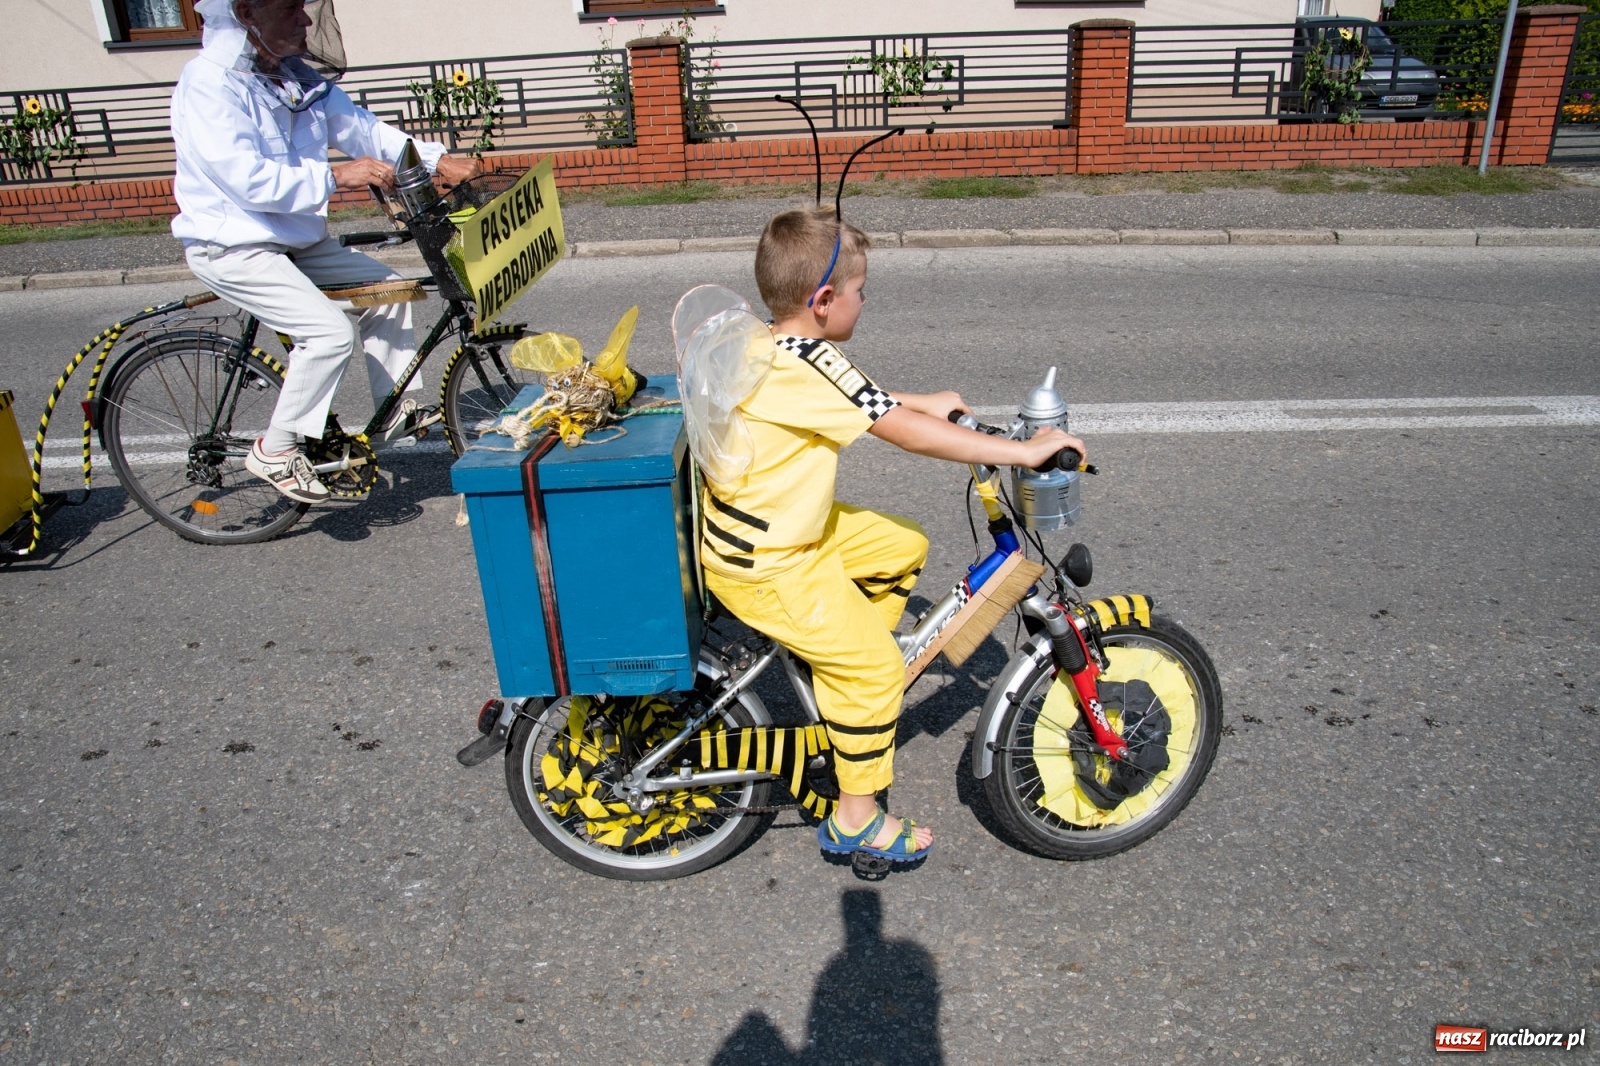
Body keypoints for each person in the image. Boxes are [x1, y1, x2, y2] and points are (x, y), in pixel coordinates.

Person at [698, 207, 1087, 865]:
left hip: (775, 532)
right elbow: (896, 429)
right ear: (823, 301)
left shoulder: (770, 341)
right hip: (768, 561)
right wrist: (1022, 455)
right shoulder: (806, 362)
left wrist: (922, 401)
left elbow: (858, 398)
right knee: (876, 668)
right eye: (860, 289)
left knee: (900, 544)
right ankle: (856, 817)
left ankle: (841, 690)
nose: (864, 299)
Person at [170, 0, 480, 504]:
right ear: (248, 13)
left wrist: (438, 159)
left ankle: (391, 412)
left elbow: (364, 129)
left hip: (295, 239)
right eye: (290, 8)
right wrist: (338, 174)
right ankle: (275, 448)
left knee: (389, 292)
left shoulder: (292, 78)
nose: (306, 20)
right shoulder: (209, 85)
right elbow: (247, 181)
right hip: (232, 243)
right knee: (329, 333)